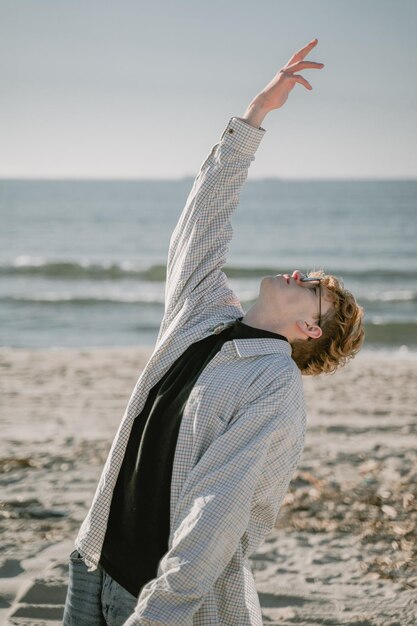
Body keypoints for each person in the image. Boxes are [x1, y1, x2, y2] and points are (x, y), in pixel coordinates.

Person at [63, 38, 364, 626]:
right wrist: (256, 115)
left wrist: (157, 613)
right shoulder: (203, 313)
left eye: (315, 290)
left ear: (307, 328)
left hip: (153, 599)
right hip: (93, 559)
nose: (300, 274)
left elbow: (215, 515)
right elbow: (202, 218)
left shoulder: (273, 386)